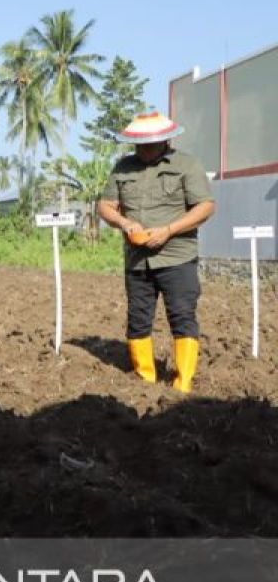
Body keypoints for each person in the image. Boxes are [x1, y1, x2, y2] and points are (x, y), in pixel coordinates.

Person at [97, 110, 215, 393]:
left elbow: (205, 206)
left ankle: (183, 383)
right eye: (139, 145)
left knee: (182, 316)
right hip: (138, 262)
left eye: (149, 144)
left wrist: (169, 230)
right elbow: (105, 206)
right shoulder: (123, 168)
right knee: (138, 319)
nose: (144, 150)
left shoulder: (186, 165)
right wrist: (125, 223)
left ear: (165, 141)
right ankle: (145, 380)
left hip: (177, 257)